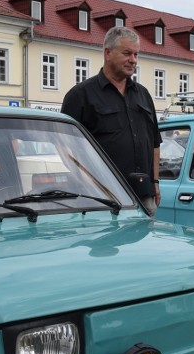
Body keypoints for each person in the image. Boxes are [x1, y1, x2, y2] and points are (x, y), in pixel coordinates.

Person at [61, 26, 161, 215]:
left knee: (145, 244)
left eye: (136, 54)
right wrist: (90, 186)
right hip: (102, 198)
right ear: (108, 53)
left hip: (143, 196)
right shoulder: (80, 96)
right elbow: (65, 149)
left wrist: (155, 182)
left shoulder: (144, 95)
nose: (133, 60)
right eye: (127, 53)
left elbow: (155, 143)